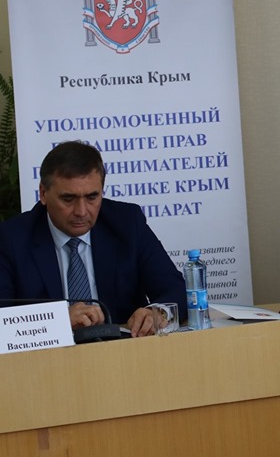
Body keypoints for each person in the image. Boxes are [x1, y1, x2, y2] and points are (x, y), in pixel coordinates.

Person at [0, 141, 187, 336]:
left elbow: (176, 289)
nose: (81, 211)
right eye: (68, 199)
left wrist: (157, 313)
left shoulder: (127, 223)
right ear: (43, 194)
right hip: (48, 352)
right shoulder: (11, 239)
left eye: (92, 197)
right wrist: (58, 320)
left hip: (122, 349)